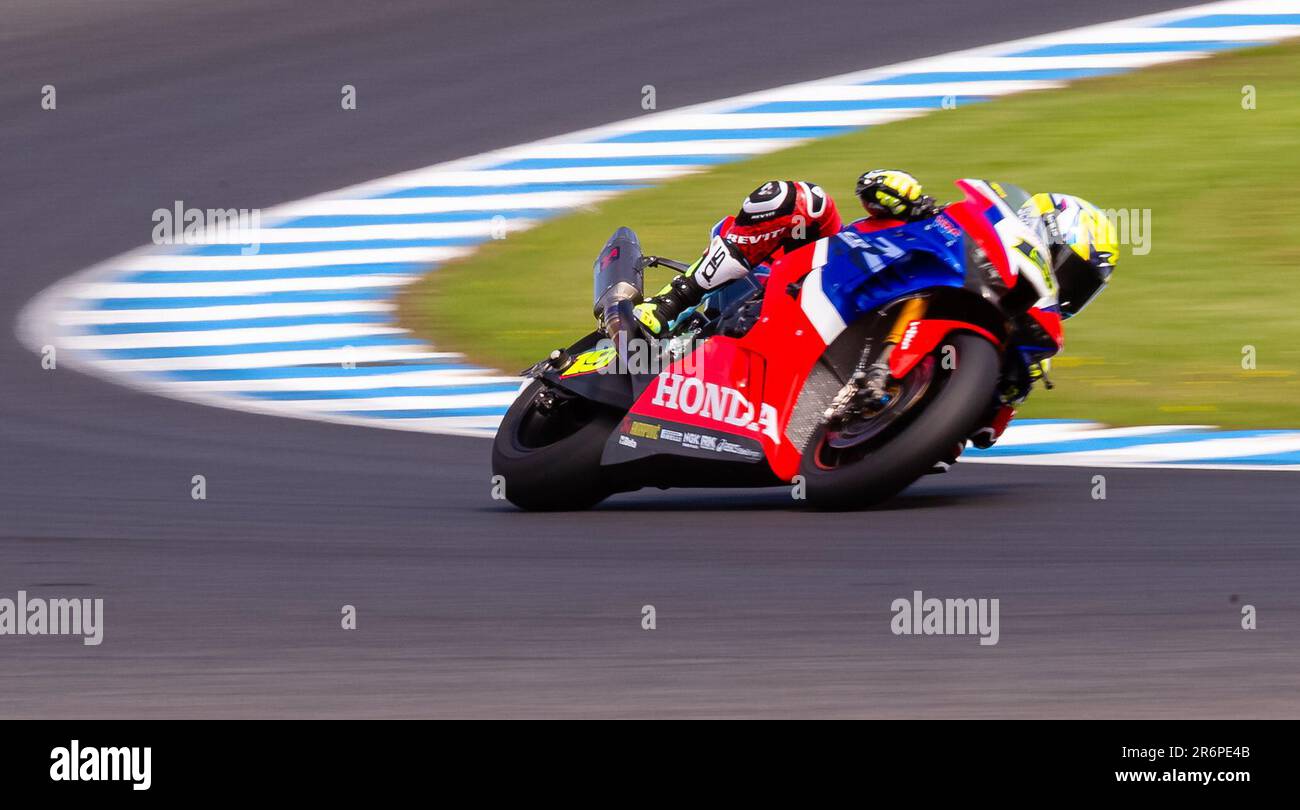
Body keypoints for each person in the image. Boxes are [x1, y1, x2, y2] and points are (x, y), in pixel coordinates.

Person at [632, 170, 1118, 453]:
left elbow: (984, 434)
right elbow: (873, 189)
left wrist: (1007, 389)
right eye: (1067, 268)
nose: (1065, 287)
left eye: (1080, 286)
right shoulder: (955, 231)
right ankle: (668, 304)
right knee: (800, 200)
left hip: (811, 399)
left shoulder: (1023, 351)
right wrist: (898, 194)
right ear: (1039, 232)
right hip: (799, 284)